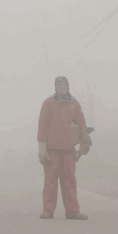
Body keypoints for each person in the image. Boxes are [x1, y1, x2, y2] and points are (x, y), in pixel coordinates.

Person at [37, 76, 93, 220]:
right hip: (52, 149)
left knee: (70, 180)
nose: (62, 87)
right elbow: (42, 126)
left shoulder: (74, 104)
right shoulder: (48, 103)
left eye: (64, 85)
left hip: (69, 149)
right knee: (50, 181)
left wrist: (84, 141)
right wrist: (42, 147)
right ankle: (48, 210)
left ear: (68, 86)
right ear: (55, 87)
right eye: (59, 85)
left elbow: (82, 124)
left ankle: (73, 211)